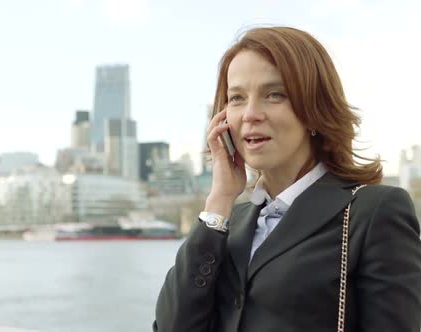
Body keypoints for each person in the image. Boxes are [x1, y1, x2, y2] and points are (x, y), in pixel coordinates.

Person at [153, 26, 421, 332]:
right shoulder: (227, 222)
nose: (250, 114)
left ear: (314, 109)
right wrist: (219, 200)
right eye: (237, 98)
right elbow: (171, 326)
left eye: (274, 94)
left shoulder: (372, 212)